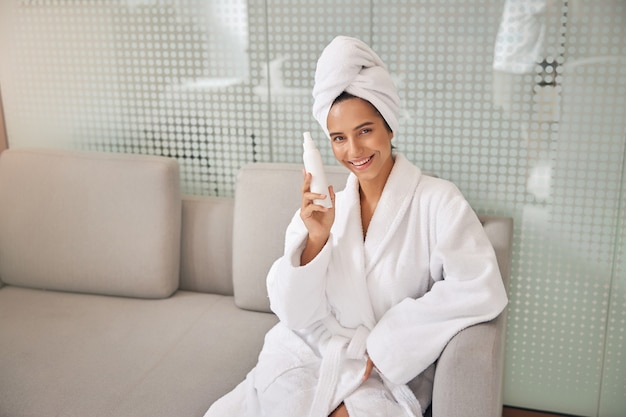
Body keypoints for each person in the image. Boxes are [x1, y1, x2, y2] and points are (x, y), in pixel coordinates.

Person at [204, 35, 508, 417]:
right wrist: (316, 238)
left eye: (365, 130)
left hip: (389, 368)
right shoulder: (329, 208)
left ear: (389, 126)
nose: (354, 151)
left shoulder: (438, 201)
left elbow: (480, 286)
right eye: (338, 138)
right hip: (309, 353)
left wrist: (387, 345)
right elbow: (293, 314)